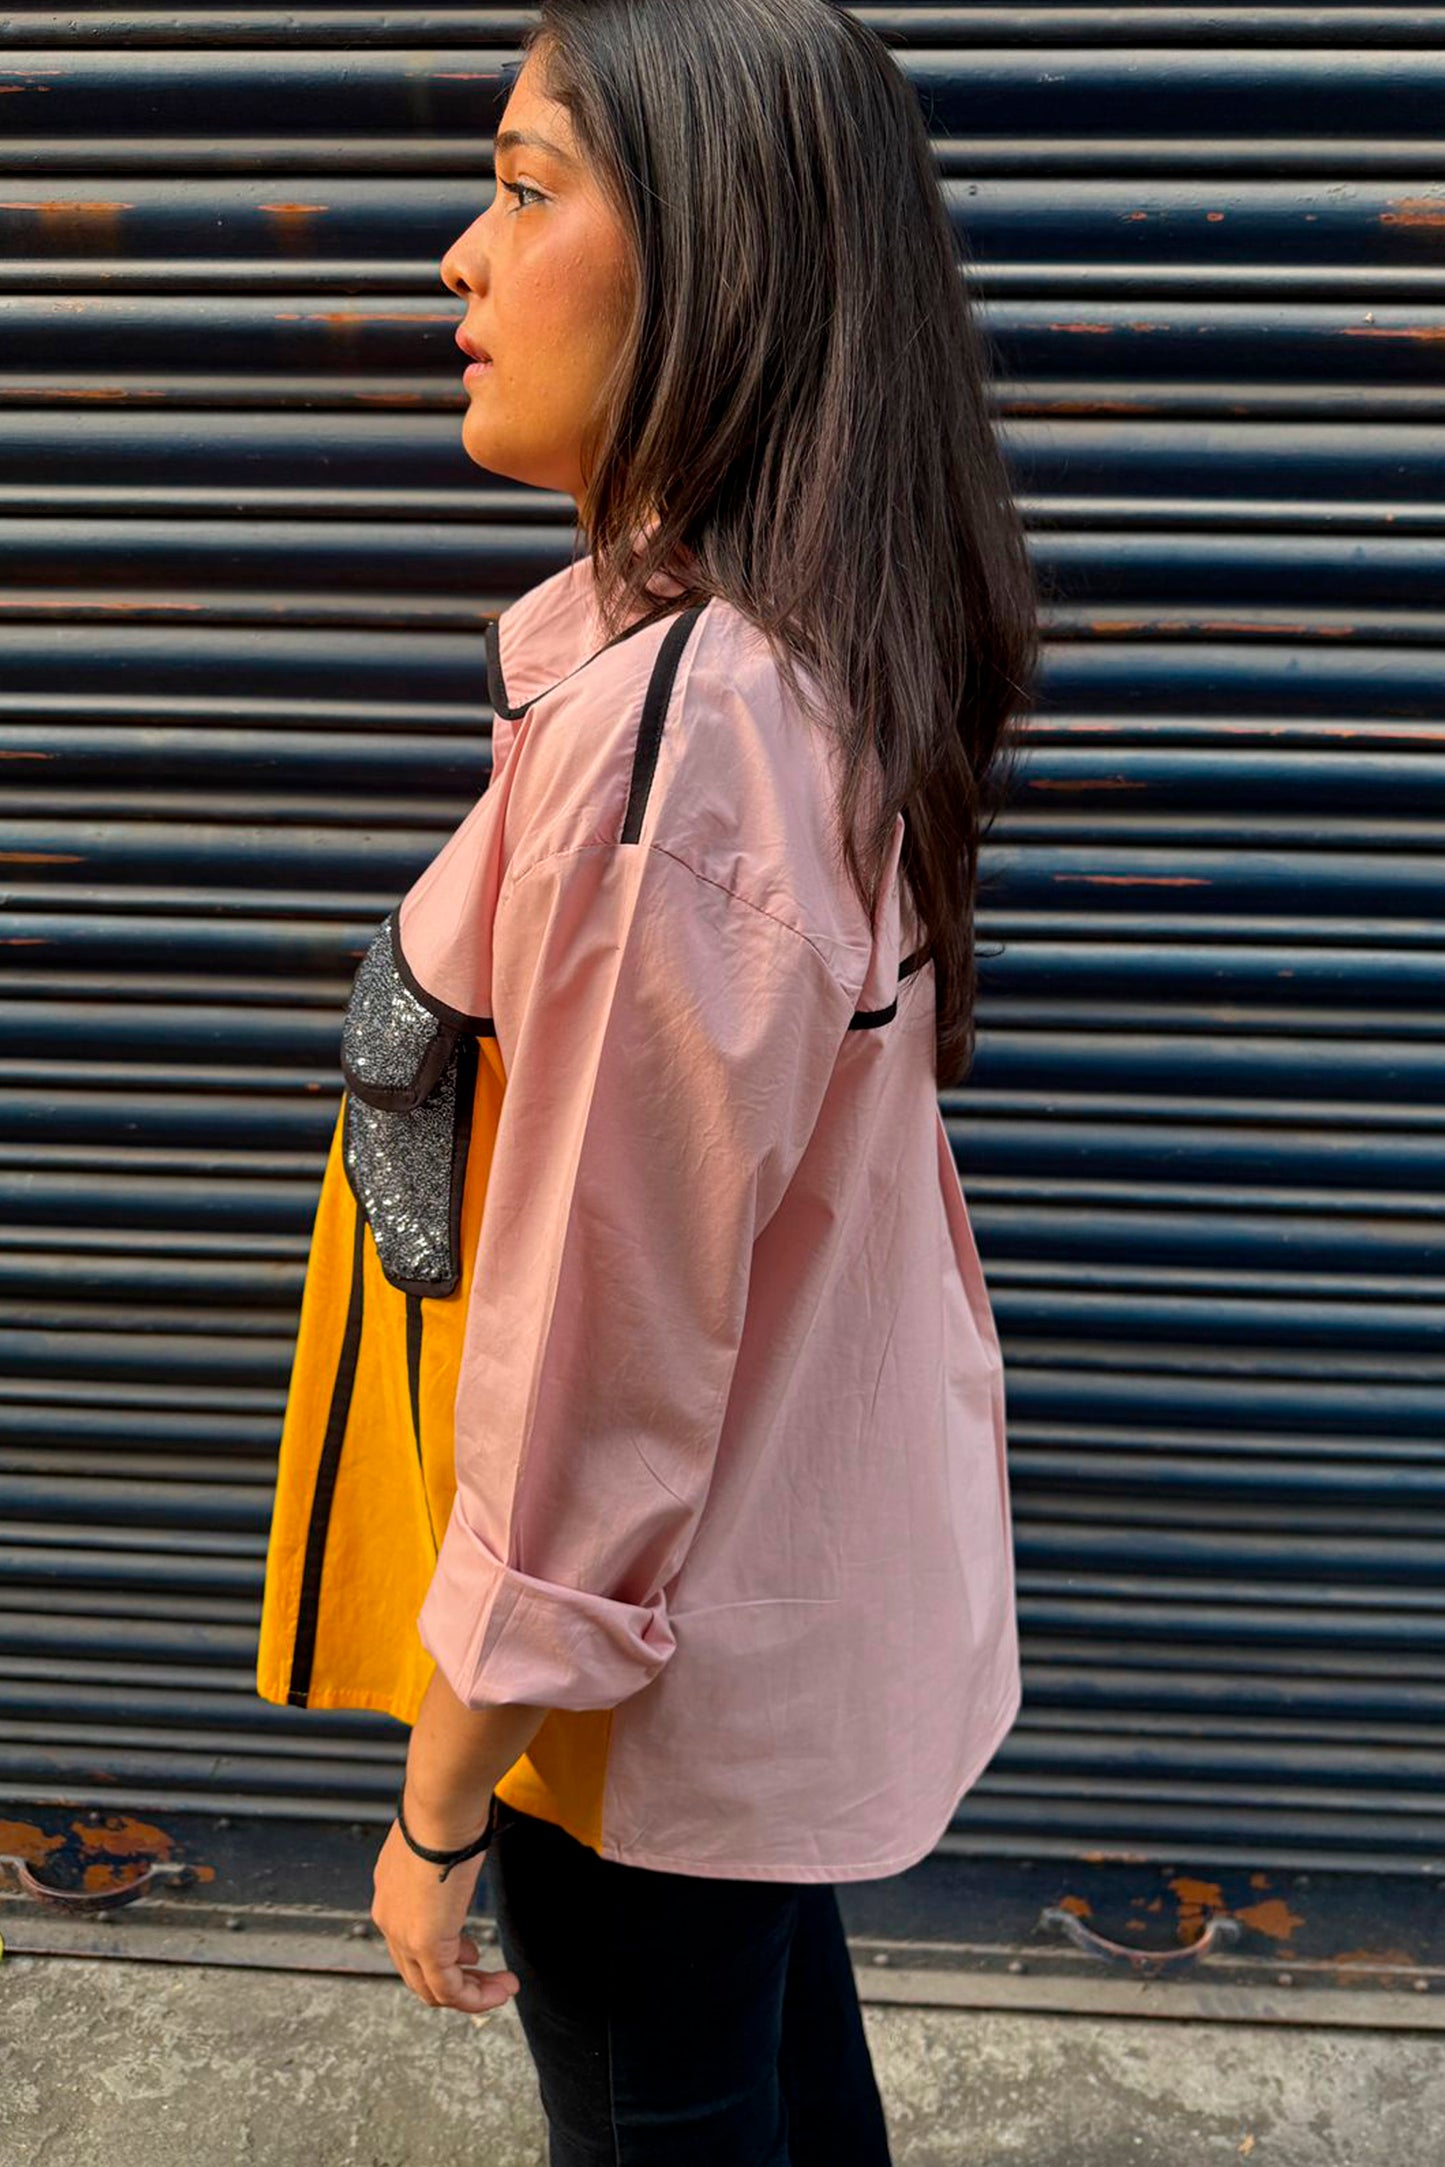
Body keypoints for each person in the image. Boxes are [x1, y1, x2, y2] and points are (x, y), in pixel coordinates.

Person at [363, 3, 1039, 2159]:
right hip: (723, 1615)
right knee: (758, 2082)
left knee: (669, 2111)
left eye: (525, 186)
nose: (461, 253)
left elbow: (602, 1346)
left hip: (636, 1676)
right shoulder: (750, 654)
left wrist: (442, 1795)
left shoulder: (686, 745)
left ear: (716, 265)